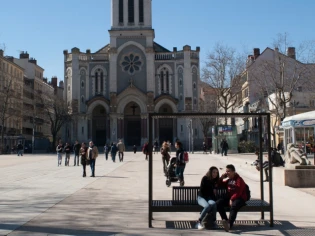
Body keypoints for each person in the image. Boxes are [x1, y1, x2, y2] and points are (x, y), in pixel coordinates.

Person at [216, 164, 248, 232]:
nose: (227, 173)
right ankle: (225, 220)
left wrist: (231, 199)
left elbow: (239, 191)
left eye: (229, 171)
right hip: (231, 198)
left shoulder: (239, 179)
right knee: (218, 203)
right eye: (226, 171)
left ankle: (229, 224)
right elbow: (219, 184)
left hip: (240, 198)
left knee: (234, 206)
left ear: (234, 172)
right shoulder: (229, 180)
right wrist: (221, 178)